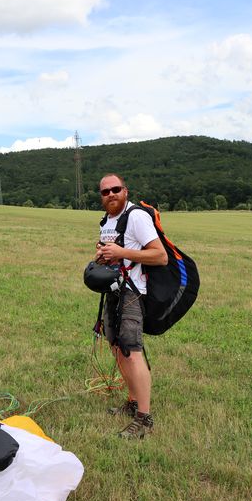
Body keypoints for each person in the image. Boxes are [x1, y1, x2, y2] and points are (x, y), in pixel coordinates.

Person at [93, 173, 168, 439]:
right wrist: (103, 256)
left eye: (115, 189)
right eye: (105, 192)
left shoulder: (136, 216)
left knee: (132, 351)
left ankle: (144, 418)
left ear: (125, 191)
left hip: (133, 293)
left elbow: (160, 256)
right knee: (116, 347)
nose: (111, 194)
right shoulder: (108, 220)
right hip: (113, 291)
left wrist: (121, 252)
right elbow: (115, 254)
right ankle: (133, 401)